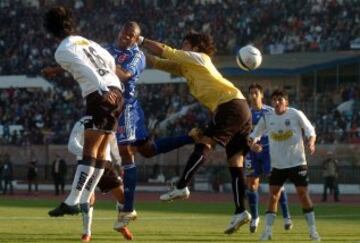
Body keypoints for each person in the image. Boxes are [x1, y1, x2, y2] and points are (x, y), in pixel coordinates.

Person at [139, 32, 252, 234]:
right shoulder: (186, 66)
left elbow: (166, 51)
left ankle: (182, 185)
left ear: (196, 47)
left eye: (185, 44)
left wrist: (140, 40)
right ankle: (240, 211)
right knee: (235, 164)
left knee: (204, 142)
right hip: (239, 107)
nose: (182, 46)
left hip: (230, 105)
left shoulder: (199, 58)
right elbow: (157, 62)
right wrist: (135, 51)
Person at [106, 22, 195, 230]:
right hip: (113, 108)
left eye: (131, 36)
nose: (125, 38)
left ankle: (127, 209)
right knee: (148, 150)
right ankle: (191, 136)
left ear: (136, 39)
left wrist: (103, 64)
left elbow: (125, 75)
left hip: (126, 108)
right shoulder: (108, 50)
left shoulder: (137, 56)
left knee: (125, 153)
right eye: (123, 33)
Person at [43, 5, 124, 217]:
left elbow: (85, 68)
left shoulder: (62, 50)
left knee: (89, 150)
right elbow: (109, 61)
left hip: (100, 95)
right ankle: (81, 199)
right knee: (100, 153)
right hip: (116, 92)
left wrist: (102, 87)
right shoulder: (90, 42)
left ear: (50, 30)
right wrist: (110, 84)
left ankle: (72, 201)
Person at [248, 89, 320, 241]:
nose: (277, 102)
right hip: (278, 165)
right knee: (273, 195)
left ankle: (313, 231)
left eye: (280, 99)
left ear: (286, 102)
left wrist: (311, 142)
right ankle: (267, 231)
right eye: (274, 99)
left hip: (297, 162)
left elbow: (310, 131)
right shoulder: (267, 117)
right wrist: (253, 144)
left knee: (302, 194)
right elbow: (253, 135)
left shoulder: (295, 114)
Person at [67, 117, 133, 242]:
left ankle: (121, 224)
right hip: (87, 163)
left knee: (123, 197)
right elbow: (71, 144)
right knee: (88, 198)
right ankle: (87, 232)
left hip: (106, 164)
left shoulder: (109, 121)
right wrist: (88, 153)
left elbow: (113, 144)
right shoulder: (82, 122)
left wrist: (120, 162)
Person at [245, 83, 292, 233]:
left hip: (269, 152)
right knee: (252, 185)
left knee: (276, 185)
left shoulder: (270, 111)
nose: (253, 96)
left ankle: (286, 216)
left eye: (256, 93)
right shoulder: (245, 113)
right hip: (251, 152)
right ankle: (255, 217)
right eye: (251, 93)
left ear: (261, 95)